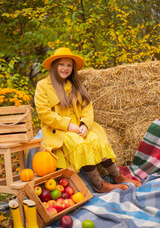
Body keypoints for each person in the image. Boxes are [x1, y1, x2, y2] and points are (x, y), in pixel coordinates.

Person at [34, 47, 142, 193]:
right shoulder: (43, 86)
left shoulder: (74, 85)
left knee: (96, 140)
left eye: (69, 65)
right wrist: (68, 125)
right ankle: (100, 185)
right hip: (58, 130)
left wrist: (85, 123)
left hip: (78, 126)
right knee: (80, 144)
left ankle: (118, 177)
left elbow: (87, 108)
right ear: (54, 66)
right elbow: (44, 113)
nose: (65, 68)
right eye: (61, 64)